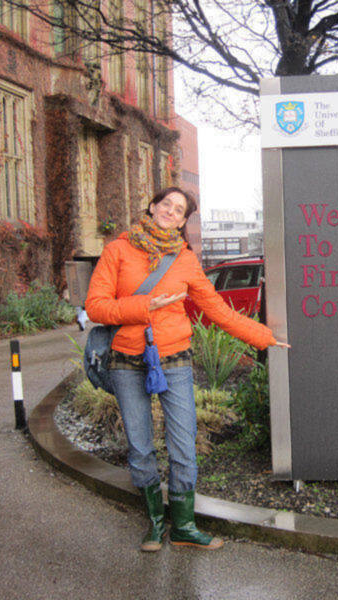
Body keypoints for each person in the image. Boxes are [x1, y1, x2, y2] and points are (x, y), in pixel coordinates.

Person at [85, 187, 288, 552]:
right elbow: (96, 307)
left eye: (179, 211)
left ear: (182, 221)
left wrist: (265, 338)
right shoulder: (118, 250)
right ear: (153, 206)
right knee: (140, 445)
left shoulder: (185, 260)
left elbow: (219, 311)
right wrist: (147, 305)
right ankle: (155, 524)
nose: (171, 212)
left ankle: (183, 526)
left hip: (174, 359)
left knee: (183, 445)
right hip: (126, 361)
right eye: (167, 205)